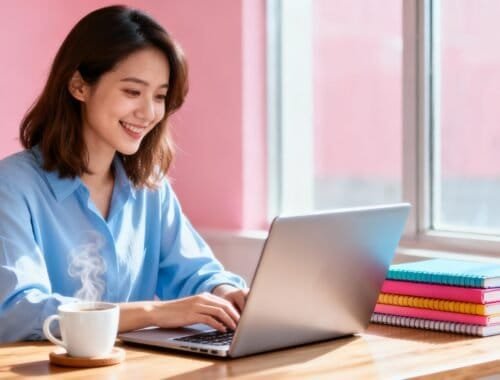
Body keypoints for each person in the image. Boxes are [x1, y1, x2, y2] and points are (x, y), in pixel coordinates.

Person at [0, 5, 248, 343]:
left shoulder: (150, 188)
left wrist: (225, 293)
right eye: (132, 92)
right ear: (79, 86)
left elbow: (195, 272)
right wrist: (153, 312)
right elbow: (18, 312)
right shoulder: (13, 186)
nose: (149, 113)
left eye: (159, 96)